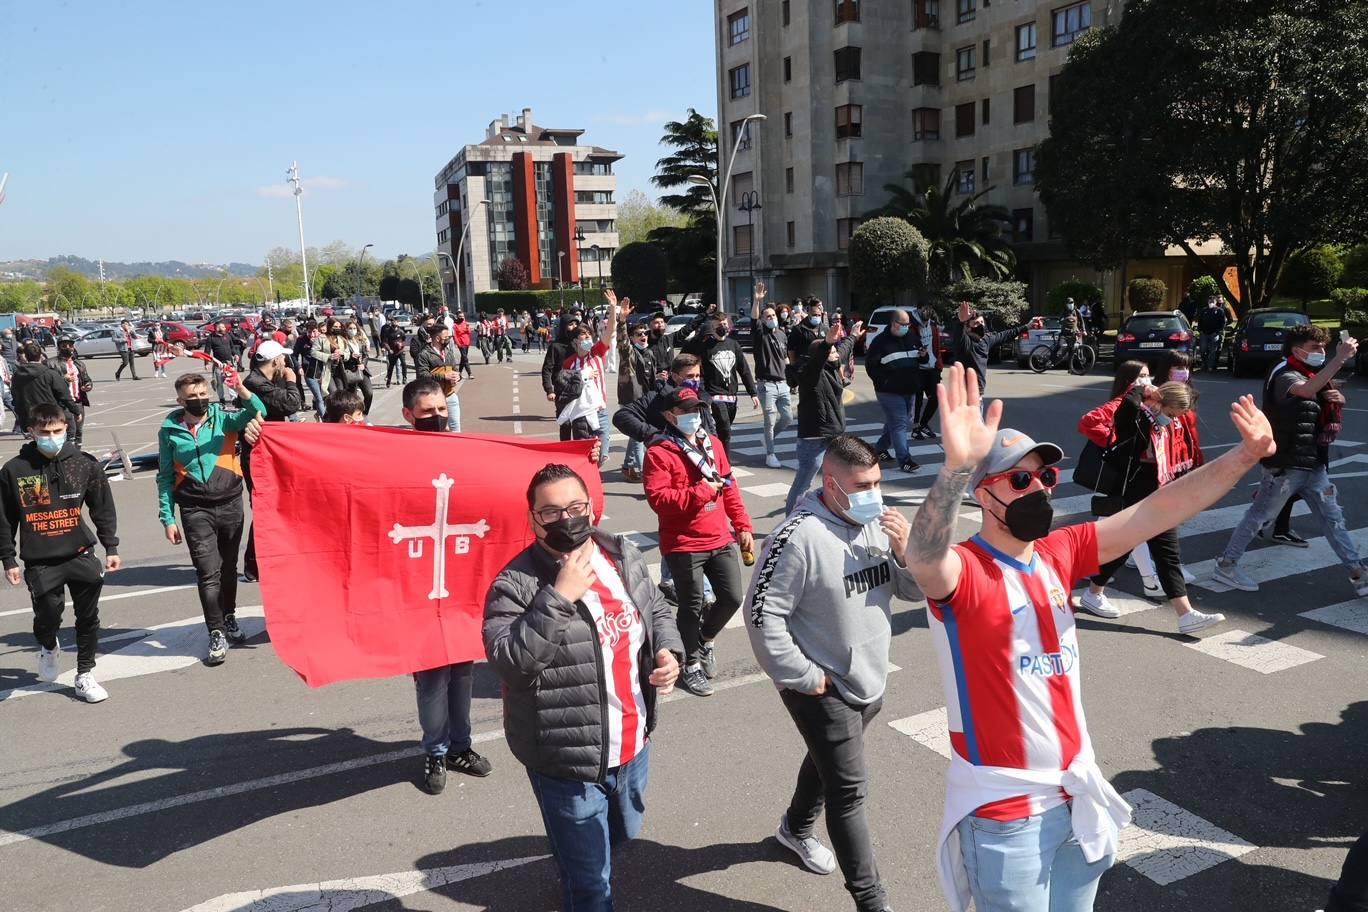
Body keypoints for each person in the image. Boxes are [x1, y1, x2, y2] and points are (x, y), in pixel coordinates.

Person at [901, 363, 1277, 912]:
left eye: (1045, 477)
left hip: (1078, 797)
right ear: (984, 495)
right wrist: (954, 471)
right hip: (1007, 814)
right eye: (1020, 479)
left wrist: (1245, 456)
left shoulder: (1059, 552)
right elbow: (923, 560)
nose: (1040, 488)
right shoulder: (964, 570)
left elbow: (1159, 509)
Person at [484, 463, 682, 910]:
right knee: (592, 886)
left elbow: (658, 612)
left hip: (633, 743)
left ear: (591, 507)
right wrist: (559, 596)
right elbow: (513, 666)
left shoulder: (622, 555)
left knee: (624, 833)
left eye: (575, 507)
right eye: (550, 512)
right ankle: (577, 871)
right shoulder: (513, 584)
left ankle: (574, 856)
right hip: (565, 759)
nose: (565, 519)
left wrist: (668, 651)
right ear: (532, 518)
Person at [745, 434, 918, 912]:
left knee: (829, 764)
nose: (873, 494)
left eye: (878, 482)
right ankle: (871, 900)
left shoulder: (878, 525)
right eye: (862, 485)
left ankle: (794, 829)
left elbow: (912, 593)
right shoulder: (796, 537)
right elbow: (761, 615)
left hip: (869, 676)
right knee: (850, 792)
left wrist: (906, 553)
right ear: (831, 484)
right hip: (824, 686)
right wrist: (802, 675)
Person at [1215, 326, 1368, 596]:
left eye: (1324, 348)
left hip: (1312, 463)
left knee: (1333, 520)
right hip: (1285, 464)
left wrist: (1336, 398)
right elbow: (1307, 390)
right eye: (1315, 348)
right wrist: (1340, 358)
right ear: (1297, 350)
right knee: (1259, 516)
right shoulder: (1285, 374)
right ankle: (1226, 565)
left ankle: (1358, 573)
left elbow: (1315, 393)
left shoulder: (1307, 373)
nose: (1321, 352)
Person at [399, 376, 493, 791]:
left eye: (441, 410)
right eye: (427, 413)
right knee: (432, 678)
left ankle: (460, 746)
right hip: (417, 583)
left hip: (458, 580)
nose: (437, 418)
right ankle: (435, 753)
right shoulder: (393, 456)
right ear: (408, 415)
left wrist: (583, 456)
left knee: (463, 671)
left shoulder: (464, 452)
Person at [1076, 380, 1225, 633]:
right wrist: (1142, 389)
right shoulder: (1135, 416)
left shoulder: (1165, 423)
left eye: (1176, 416)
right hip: (1132, 491)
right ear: (1158, 402)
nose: (1172, 419)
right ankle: (1183, 614)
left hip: (1157, 491)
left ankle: (1184, 614)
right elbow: (1127, 407)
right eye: (1170, 413)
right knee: (1130, 547)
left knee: (1163, 552)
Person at [0, 402, 120, 703]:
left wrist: (111, 545)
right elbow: (4, 517)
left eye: (57, 430)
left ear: (66, 428)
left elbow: (102, 507)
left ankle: (84, 674)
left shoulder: (84, 463)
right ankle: (49, 646)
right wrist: (8, 558)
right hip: (40, 560)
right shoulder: (14, 470)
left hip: (79, 552)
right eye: (44, 432)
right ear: (32, 432)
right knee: (48, 616)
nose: (51, 436)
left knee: (88, 617)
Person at [643, 388, 753, 697]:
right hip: (683, 542)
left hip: (719, 536)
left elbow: (729, 487)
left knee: (731, 597)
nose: (694, 415)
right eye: (686, 410)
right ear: (669, 415)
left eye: (696, 409)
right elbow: (660, 500)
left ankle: (704, 639)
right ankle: (689, 665)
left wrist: (742, 524)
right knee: (690, 606)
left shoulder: (712, 443)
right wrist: (702, 492)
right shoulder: (659, 452)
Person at [156, 371, 264, 665]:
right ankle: (215, 631)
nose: (200, 401)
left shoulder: (224, 419)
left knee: (228, 569)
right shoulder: (169, 431)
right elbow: (165, 476)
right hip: (194, 509)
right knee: (208, 572)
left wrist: (240, 388)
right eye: (192, 397)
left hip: (229, 504)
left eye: (203, 395)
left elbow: (258, 411)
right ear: (180, 400)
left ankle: (228, 617)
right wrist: (168, 518)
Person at [784, 320, 863, 516]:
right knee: (804, 482)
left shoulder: (831, 367)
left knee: (839, 477)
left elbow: (842, 351)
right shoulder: (811, 373)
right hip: (814, 436)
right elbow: (817, 360)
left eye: (835, 350)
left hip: (833, 434)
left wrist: (852, 336)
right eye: (831, 351)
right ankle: (790, 519)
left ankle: (838, 513)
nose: (837, 354)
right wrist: (827, 344)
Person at [240, 340, 303, 583]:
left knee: (278, 504)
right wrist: (291, 381)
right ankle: (253, 565)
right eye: (283, 358)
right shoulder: (255, 383)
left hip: (271, 451)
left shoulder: (265, 380)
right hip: (257, 453)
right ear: (275, 360)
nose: (286, 362)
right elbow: (291, 403)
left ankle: (269, 558)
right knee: (265, 507)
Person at [553, 294, 620, 463]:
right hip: (581, 414)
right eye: (583, 337)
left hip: (600, 411)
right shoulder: (569, 362)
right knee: (588, 456)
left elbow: (610, 331)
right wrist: (583, 377)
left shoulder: (597, 352)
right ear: (575, 341)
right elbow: (563, 385)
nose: (588, 340)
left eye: (589, 337)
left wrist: (612, 308)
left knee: (603, 453)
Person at [682, 313, 759, 451]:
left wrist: (752, 393)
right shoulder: (706, 346)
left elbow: (744, 370)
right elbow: (692, 363)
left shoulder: (734, 345)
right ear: (712, 327)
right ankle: (725, 465)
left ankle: (715, 452)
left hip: (732, 396)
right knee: (725, 429)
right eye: (719, 325)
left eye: (724, 324)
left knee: (724, 430)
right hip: (715, 395)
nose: (722, 327)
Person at [865, 309, 924, 474]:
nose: (906, 327)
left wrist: (923, 355)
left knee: (896, 422)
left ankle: (880, 448)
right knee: (899, 424)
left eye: (908, 324)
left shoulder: (912, 338)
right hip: (888, 391)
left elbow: (922, 359)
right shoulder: (880, 342)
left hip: (909, 389)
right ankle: (904, 460)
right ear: (893, 323)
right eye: (902, 324)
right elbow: (871, 367)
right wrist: (883, 382)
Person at [751, 282, 794, 468]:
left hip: (783, 383)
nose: (771, 318)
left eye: (773, 315)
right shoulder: (760, 333)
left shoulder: (782, 334)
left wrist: (792, 378)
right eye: (767, 316)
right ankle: (770, 453)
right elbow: (754, 318)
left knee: (787, 418)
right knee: (769, 420)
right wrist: (757, 300)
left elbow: (785, 358)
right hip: (766, 384)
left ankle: (768, 440)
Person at [950, 301, 1031, 393]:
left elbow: (1006, 334)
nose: (980, 325)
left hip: (979, 391)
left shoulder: (986, 340)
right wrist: (961, 322)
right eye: (976, 323)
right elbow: (958, 335)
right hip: (963, 391)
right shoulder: (965, 342)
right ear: (968, 327)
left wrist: (1027, 326)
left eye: (982, 322)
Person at [616, 319, 660, 482]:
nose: (643, 336)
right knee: (640, 436)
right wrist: (621, 321)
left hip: (645, 399)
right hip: (631, 398)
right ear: (632, 337)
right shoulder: (629, 353)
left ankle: (628, 466)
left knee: (634, 435)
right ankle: (646, 475)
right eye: (639, 334)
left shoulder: (649, 353)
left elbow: (650, 377)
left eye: (645, 333)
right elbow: (622, 341)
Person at [11, 343, 79, 435]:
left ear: (26, 356)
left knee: (38, 442)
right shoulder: (49, 373)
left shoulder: (17, 375)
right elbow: (64, 395)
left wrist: (21, 415)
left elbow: (15, 398)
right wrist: (76, 411)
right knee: (69, 433)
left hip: (30, 417)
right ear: (40, 355)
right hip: (50, 416)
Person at [414, 322, 464, 432]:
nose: (449, 340)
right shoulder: (424, 355)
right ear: (437, 338)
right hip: (434, 399)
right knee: (438, 430)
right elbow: (422, 376)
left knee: (456, 427)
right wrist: (444, 377)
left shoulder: (448, 353)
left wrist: (457, 376)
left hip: (450, 396)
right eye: (446, 337)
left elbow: (455, 370)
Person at [46, 338, 92, 450]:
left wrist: (88, 385)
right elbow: (47, 382)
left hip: (78, 401)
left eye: (70, 345)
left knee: (79, 431)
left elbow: (87, 379)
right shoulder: (51, 363)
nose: (67, 348)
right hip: (63, 402)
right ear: (59, 348)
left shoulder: (79, 364)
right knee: (70, 431)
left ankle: (77, 454)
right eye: (64, 346)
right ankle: (69, 454)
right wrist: (63, 378)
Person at [909, 303, 942, 440]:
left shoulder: (933, 326)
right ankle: (915, 427)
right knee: (917, 400)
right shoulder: (911, 327)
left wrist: (938, 365)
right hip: (917, 369)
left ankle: (923, 424)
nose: (925, 321)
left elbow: (937, 347)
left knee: (936, 397)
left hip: (932, 367)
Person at [201, 322, 237, 408]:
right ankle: (221, 399)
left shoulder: (227, 336)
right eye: (222, 327)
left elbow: (232, 347)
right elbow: (207, 351)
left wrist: (235, 354)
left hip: (229, 363)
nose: (225, 328)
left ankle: (234, 399)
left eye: (224, 327)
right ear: (217, 328)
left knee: (231, 381)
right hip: (218, 364)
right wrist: (206, 363)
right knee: (219, 383)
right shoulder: (211, 338)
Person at [1196, 295, 1229, 372]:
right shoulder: (1204, 310)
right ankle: (1204, 363)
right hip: (1204, 334)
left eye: (1212, 302)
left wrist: (1218, 331)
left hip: (1214, 334)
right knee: (1202, 349)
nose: (1211, 303)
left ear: (1215, 302)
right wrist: (1200, 330)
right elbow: (1200, 321)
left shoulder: (1220, 311)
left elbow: (1223, 322)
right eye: (1209, 301)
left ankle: (1210, 366)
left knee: (1213, 351)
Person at [381, 315, 409, 388]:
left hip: (400, 351)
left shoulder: (401, 331)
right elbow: (385, 342)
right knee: (391, 367)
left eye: (396, 321)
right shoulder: (388, 332)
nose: (395, 323)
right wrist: (388, 349)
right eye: (393, 321)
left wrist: (401, 344)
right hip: (392, 352)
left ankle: (404, 378)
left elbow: (404, 340)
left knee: (403, 363)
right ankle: (388, 380)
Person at [450, 312, 474, 380]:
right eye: (460, 316)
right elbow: (455, 336)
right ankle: (470, 373)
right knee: (465, 358)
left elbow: (469, 332)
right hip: (461, 344)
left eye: (463, 316)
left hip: (466, 342)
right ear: (457, 317)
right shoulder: (455, 325)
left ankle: (459, 372)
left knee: (463, 359)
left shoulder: (465, 323)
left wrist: (468, 327)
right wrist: (458, 344)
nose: (462, 317)